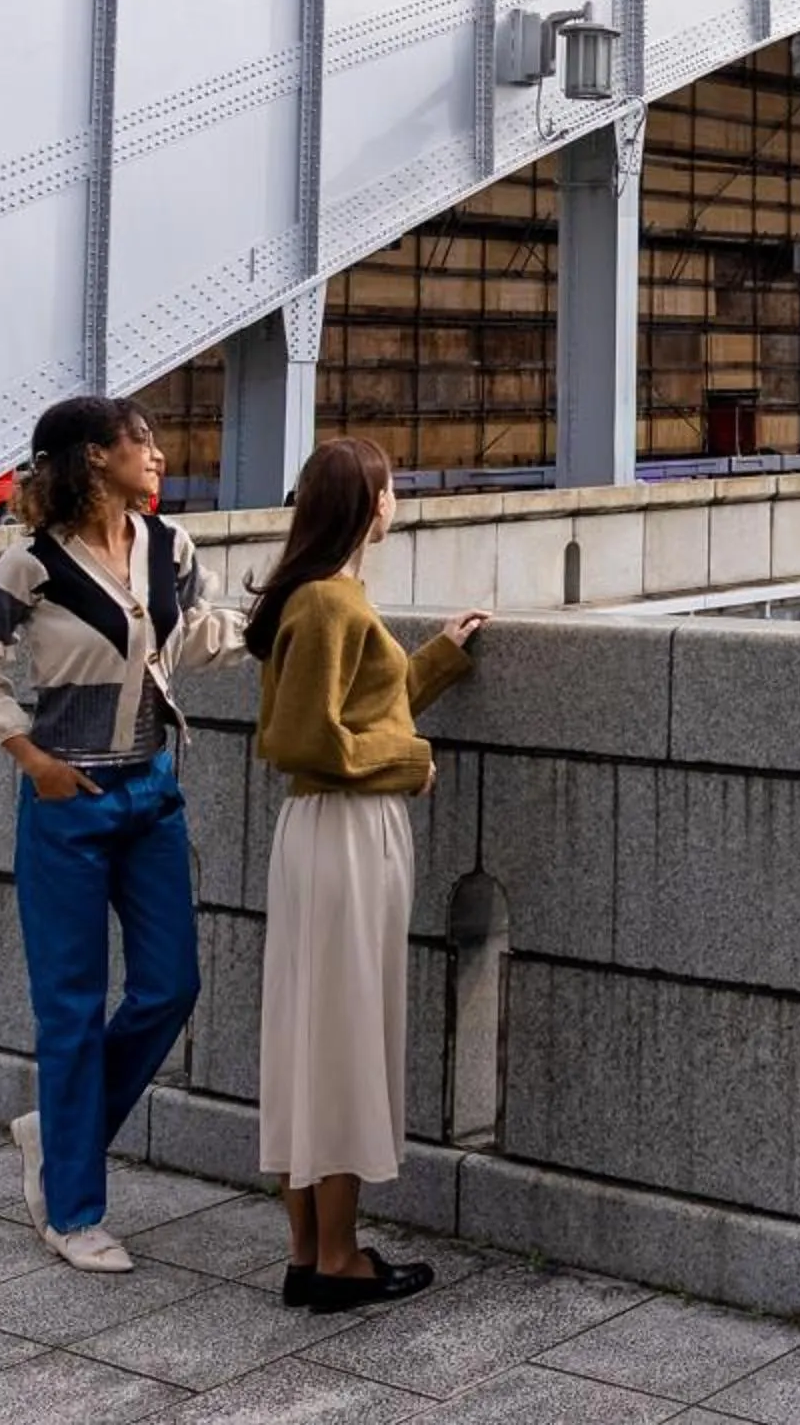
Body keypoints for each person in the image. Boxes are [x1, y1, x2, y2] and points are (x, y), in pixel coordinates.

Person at [0, 395, 248, 1272]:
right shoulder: (28, 568)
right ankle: (73, 1211)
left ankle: (56, 1132)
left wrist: (283, 617)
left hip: (152, 789)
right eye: (139, 442)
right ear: (91, 458)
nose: (155, 454)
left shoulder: (169, 548)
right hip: (67, 798)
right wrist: (31, 759)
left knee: (170, 986)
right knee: (71, 1007)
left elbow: (189, 641)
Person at [247, 436, 489, 1312]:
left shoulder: (317, 599)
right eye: (388, 489)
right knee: (344, 1035)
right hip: (348, 832)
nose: (395, 501)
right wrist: (410, 764)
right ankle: (339, 1258)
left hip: (323, 835)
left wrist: (435, 660)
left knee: (311, 1036)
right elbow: (304, 740)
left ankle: (312, 1250)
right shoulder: (331, 603)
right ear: (367, 506)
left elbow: (355, 712)